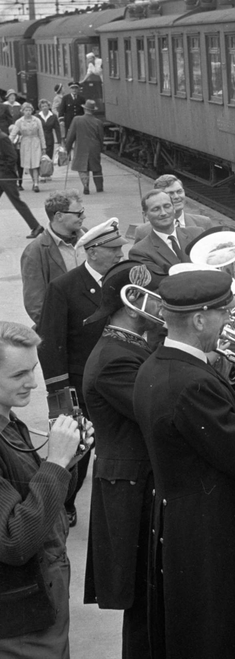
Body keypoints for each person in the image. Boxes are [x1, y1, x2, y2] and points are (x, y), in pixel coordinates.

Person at [133, 269, 235, 659]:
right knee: (220, 652)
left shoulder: (159, 366)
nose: (229, 323)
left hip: (187, 520)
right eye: (225, 314)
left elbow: (208, 430)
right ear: (199, 320)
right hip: (212, 533)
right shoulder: (191, 382)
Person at [80, 261, 158, 659]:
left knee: (150, 607)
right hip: (132, 494)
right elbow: (159, 412)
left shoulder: (127, 347)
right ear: (134, 303)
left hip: (138, 486)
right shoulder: (114, 358)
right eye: (153, 298)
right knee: (144, 610)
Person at [0, 320, 90, 659]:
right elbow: (15, 541)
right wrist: (55, 462)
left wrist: (67, 460)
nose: (33, 384)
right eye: (19, 374)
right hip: (20, 616)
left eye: (33, 370)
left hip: (39, 600)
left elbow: (33, 496)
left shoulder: (8, 420)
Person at [38, 216, 124, 526]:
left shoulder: (122, 282)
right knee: (78, 452)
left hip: (118, 382)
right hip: (80, 385)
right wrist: (60, 395)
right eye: (113, 249)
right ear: (93, 251)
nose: (119, 255)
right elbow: (50, 343)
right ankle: (64, 504)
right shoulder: (64, 287)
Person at [21, 194, 85, 327]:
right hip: (66, 330)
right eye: (78, 214)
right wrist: (59, 330)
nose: (83, 217)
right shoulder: (35, 251)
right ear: (59, 216)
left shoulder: (89, 237)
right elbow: (35, 304)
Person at [128, 189, 200, 285]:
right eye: (156, 209)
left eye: (167, 206)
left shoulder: (197, 234)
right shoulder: (139, 252)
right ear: (145, 215)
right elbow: (162, 285)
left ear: (174, 208)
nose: (163, 213)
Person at [0, 129, 42, 237]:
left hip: (6, 176)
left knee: (17, 202)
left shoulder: (3, 137)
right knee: (17, 202)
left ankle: (36, 227)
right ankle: (36, 226)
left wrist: (4, 170)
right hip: (3, 175)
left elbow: (12, 157)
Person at [63, 99, 105, 195]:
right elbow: (101, 137)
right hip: (94, 147)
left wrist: (67, 148)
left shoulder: (77, 119)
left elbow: (71, 136)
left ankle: (86, 185)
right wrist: (101, 148)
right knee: (96, 168)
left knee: (82, 167)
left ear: (85, 109)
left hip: (81, 146)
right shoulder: (98, 122)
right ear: (93, 110)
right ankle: (99, 188)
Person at [12, 104, 46, 194]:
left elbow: (41, 134)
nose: (28, 112)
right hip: (25, 143)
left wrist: (44, 147)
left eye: (29, 110)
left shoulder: (37, 120)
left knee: (35, 164)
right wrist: (6, 144)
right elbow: (13, 134)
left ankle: (35, 184)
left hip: (36, 142)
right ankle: (34, 180)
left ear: (32, 110)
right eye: (26, 110)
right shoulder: (19, 121)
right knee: (29, 164)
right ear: (22, 111)